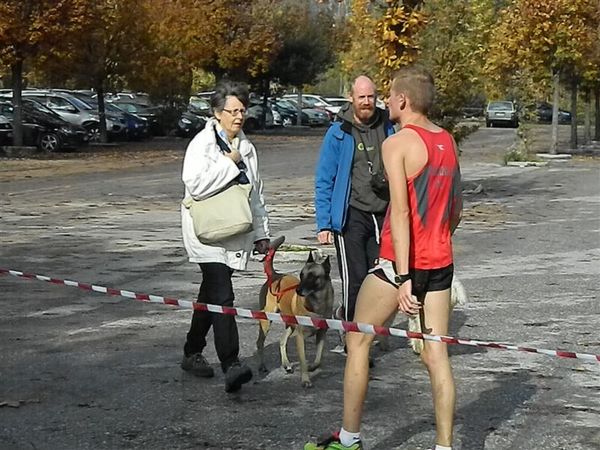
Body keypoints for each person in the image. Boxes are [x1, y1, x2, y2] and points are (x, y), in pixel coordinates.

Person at [305, 65, 463, 450]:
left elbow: (400, 213)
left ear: (404, 100)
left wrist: (405, 276)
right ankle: (444, 447)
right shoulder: (447, 140)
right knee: (436, 355)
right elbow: (456, 208)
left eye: (390, 95)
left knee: (358, 339)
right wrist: (436, 246)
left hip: (400, 263)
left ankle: (348, 439)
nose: (385, 101)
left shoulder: (397, 143)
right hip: (441, 262)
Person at [179, 81, 270, 393]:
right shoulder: (202, 145)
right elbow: (195, 185)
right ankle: (231, 363)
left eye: (242, 110)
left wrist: (262, 234)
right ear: (217, 113)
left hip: (234, 232)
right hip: (205, 233)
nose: (239, 116)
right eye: (232, 111)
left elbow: (255, 193)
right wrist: (227, 164)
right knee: (222, 293)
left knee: (211, 294)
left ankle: (192, 352)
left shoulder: (247, 147)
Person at [314, 76, 395, 352]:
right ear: (352, 98)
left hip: (383, 213)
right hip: (351, 215)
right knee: (356, 279)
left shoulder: (389, 126)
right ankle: (353, 337)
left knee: (382, 276)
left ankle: (370, 330)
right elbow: (325, 178)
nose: (366, 102)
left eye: (371, 97)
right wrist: (324, 223)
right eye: (361, 97)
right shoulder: (339, 132)